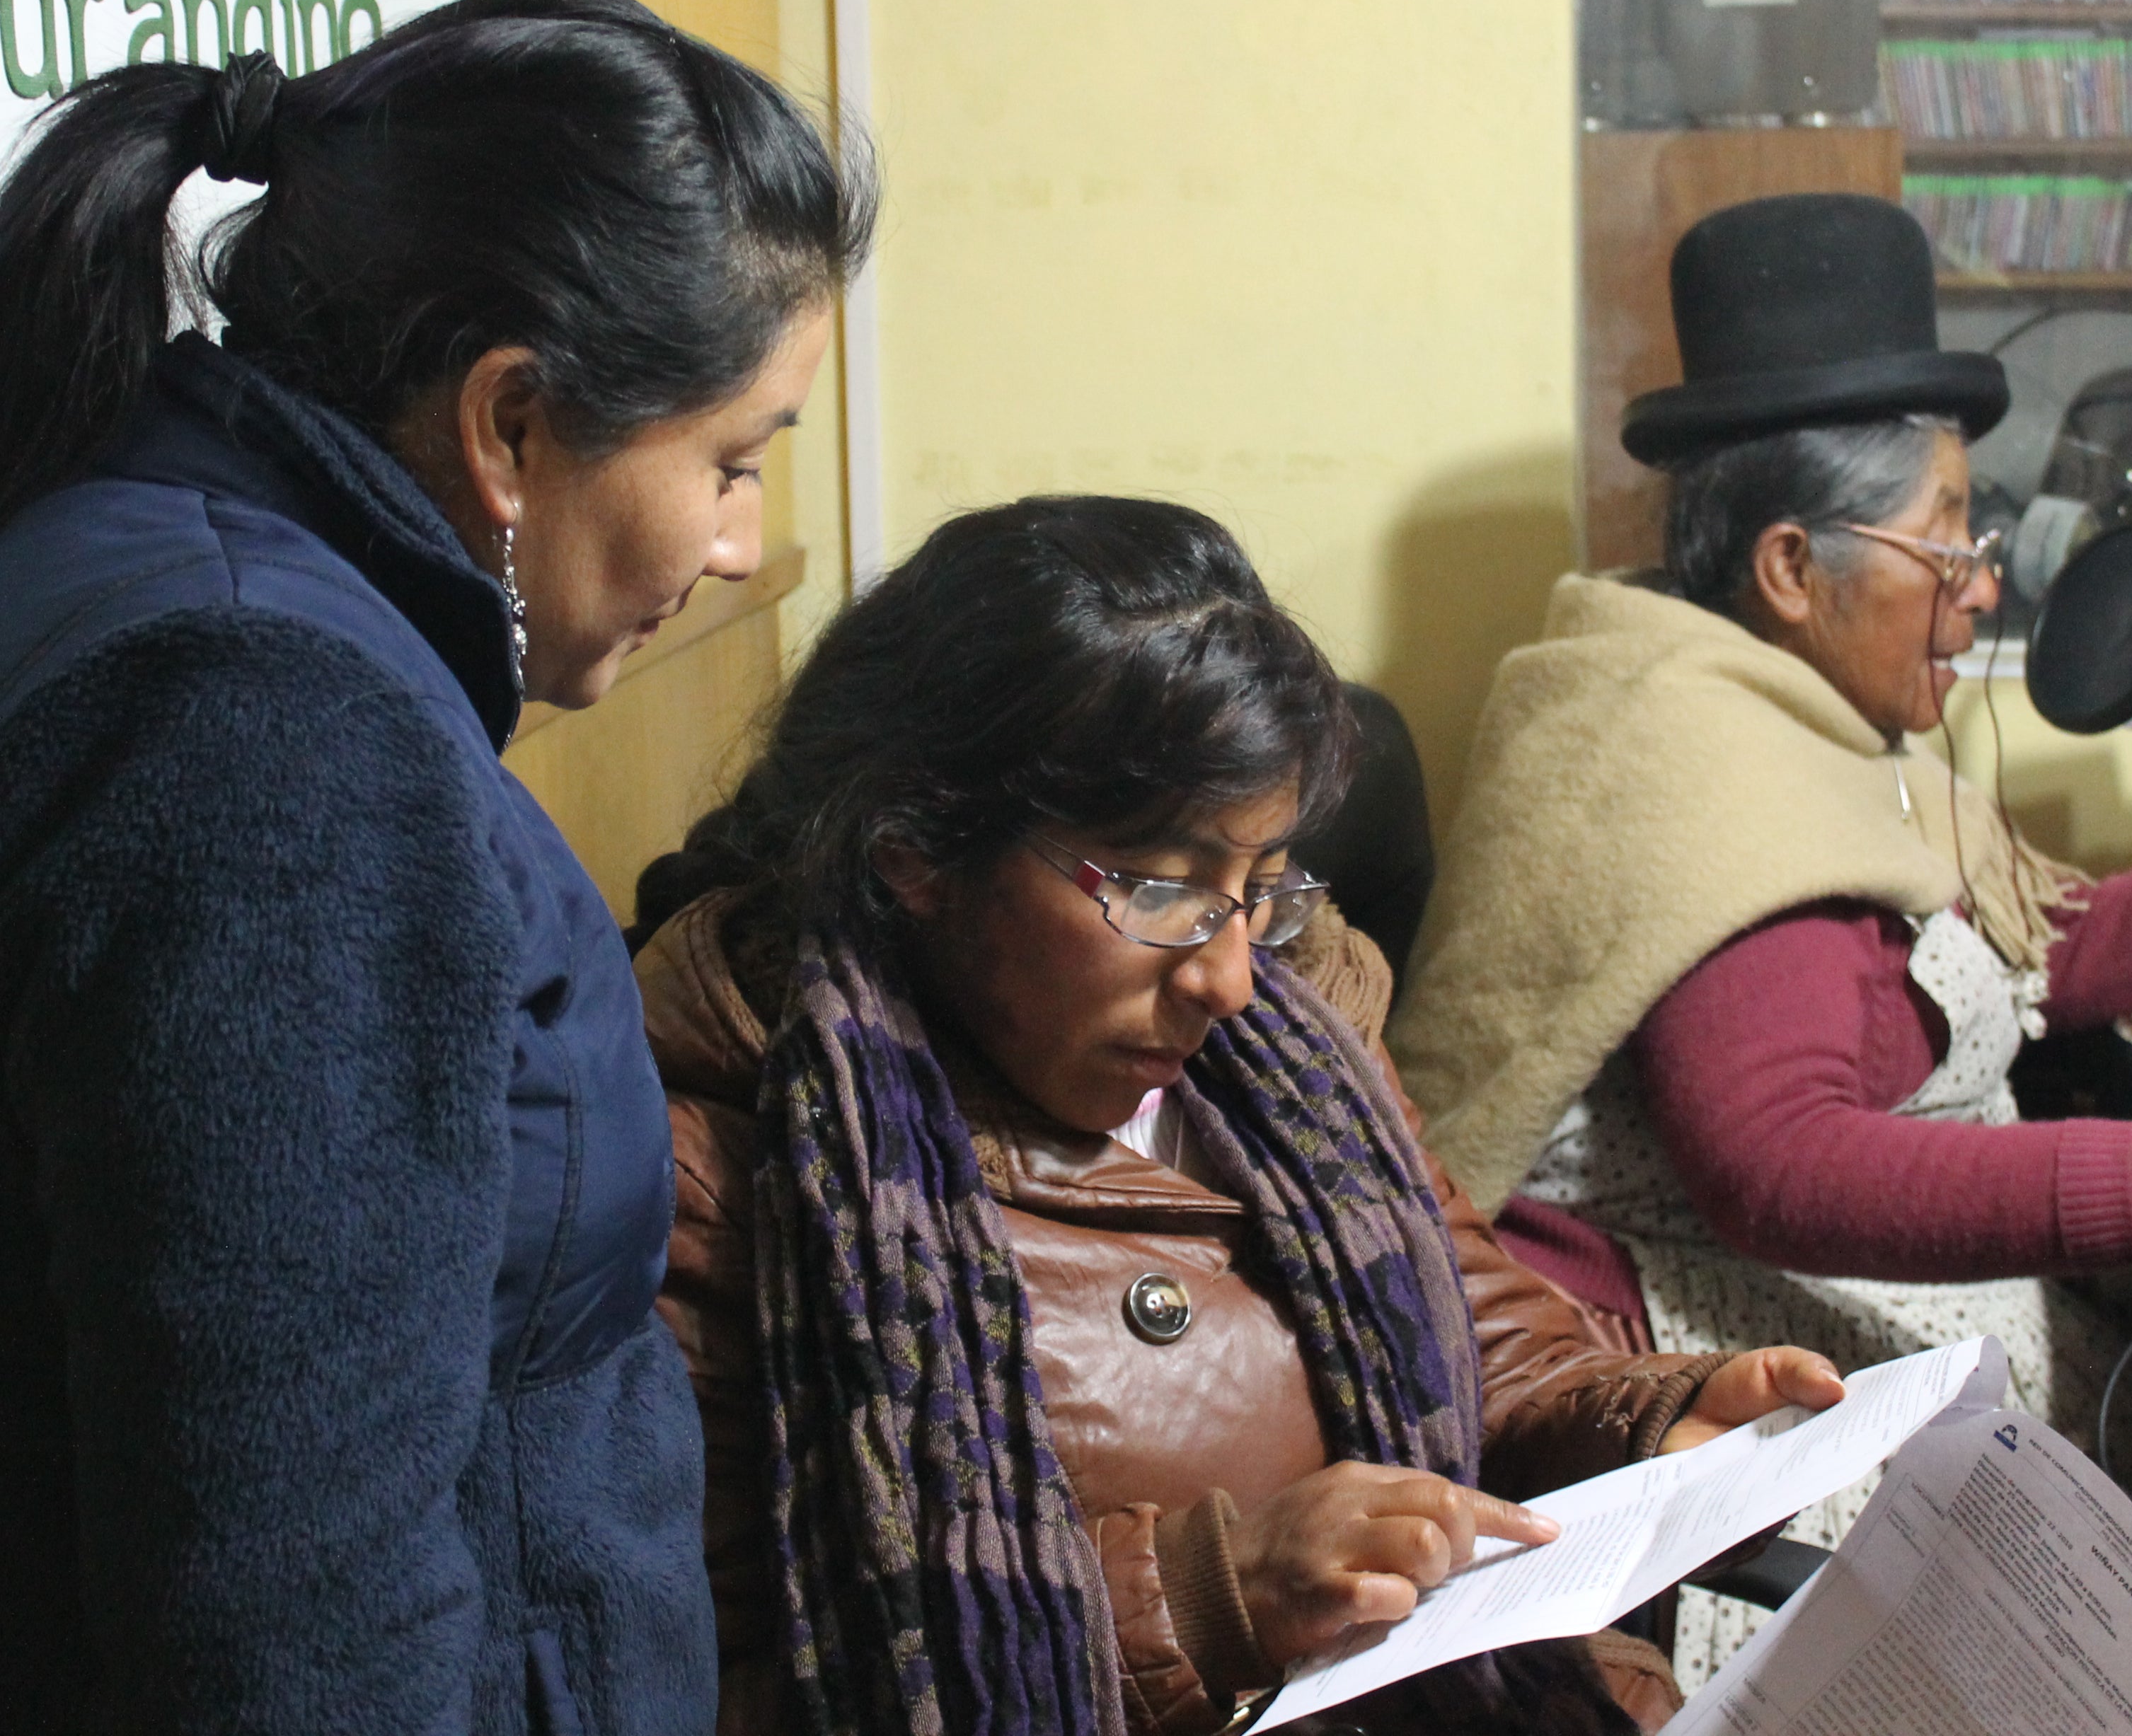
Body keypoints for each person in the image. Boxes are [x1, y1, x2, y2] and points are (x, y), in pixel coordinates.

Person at [0, 0, 872, 1735]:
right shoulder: (265, 745)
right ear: (512, 422)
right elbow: (294, 1629)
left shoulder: (192, 596)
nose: (747, 543)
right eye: (730, 461)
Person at [1383, 195, 2132, 1677]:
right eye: (1946, 540)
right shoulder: (1699, 764)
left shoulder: (1797, 717)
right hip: (1700, 1367)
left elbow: (2044, 947)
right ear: (1796, 568)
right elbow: (1775, 1159)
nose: (1984, 585)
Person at [630, 495, 1845, 1736]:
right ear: (915, 855)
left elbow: (1489, 1349)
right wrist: (1213, 1597)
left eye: (1260, 889)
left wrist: (1649, 1423)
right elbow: (735, 1678)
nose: (1227, 976)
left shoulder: (1299, 1047)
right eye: (1162, 890)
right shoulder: (730, 1167)